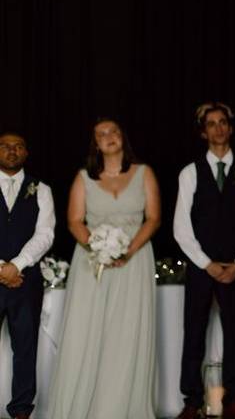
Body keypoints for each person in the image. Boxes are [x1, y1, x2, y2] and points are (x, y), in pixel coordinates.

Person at [49, 119, 159, 419]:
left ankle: (122, 407)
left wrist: (128, 251)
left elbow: (153, 218)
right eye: (101, 134)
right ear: (95, 144)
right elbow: (74, 220)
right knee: (87, 331)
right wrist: (98, 248)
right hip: (92, 264)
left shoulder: (144, 173)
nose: (109, 137)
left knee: (126, 334)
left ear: (122, 137)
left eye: (113, 131)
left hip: (134, 262)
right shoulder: (84, 177)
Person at [173, 102, 235, 419]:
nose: (218, 128)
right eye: (211, 124)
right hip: (202, 266)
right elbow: (181, 227)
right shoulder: (190, 172)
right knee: (194, 329)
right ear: (203, 131)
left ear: (231, 128)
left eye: (223, 122)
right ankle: (192, 400)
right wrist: (206, 263)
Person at [0, 132, 54, 419]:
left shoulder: (41, 189)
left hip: (25, 281)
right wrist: (1, 269)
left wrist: (17, 265)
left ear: (26, 153)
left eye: (18, 146)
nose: (11, 151)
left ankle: (21, 410)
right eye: (5, 146)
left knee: (25, 348)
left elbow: (45, 234)